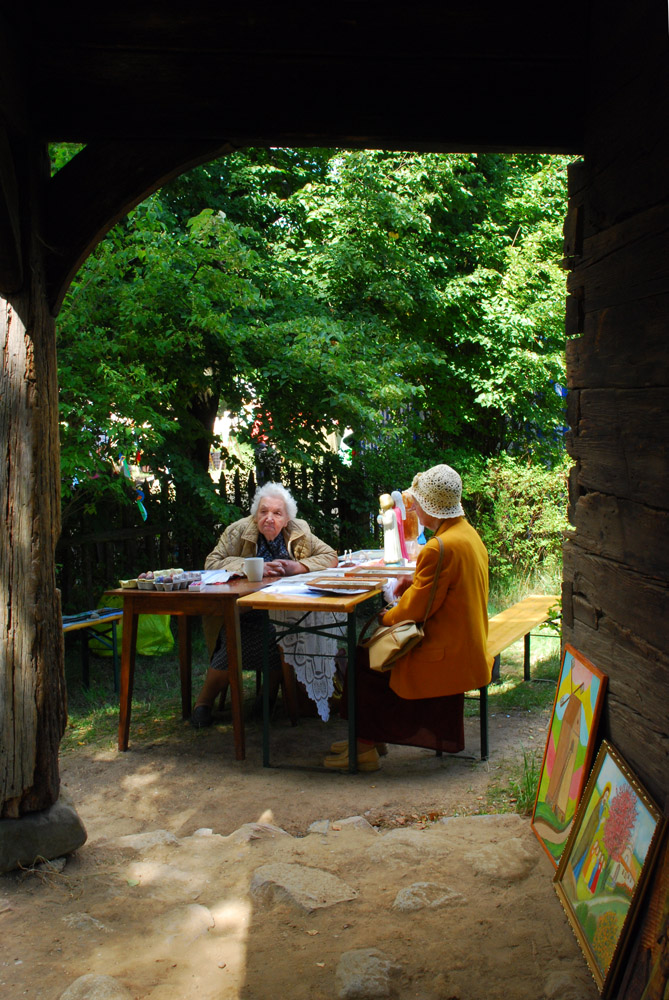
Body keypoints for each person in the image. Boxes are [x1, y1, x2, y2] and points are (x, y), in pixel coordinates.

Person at [324, 463, 492, 771]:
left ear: (431, 508)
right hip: (468, 647)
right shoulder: (467, 535)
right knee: (369, 657)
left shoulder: (439, 547)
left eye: (416, 504)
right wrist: (413, 582)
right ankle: (369, 737)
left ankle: (364, 747)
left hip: (447, 653)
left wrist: (387, 617)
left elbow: (415, 610)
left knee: (366, 660)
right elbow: (436, 589)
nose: (413, 510)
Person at [191, 481, 338, 727]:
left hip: (284, 609)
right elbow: (212, 562)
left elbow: (330, 556)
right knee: (235, 640)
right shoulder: (238, 531)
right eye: (263, 511)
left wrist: (299, 566)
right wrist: (249, 567)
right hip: (243, 610)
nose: (269, 518)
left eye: (276, 513)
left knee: (285, 633)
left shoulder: (299, 530)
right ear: (255, 513)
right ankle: (203, 703)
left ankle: (268, 697)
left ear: (287, 518)